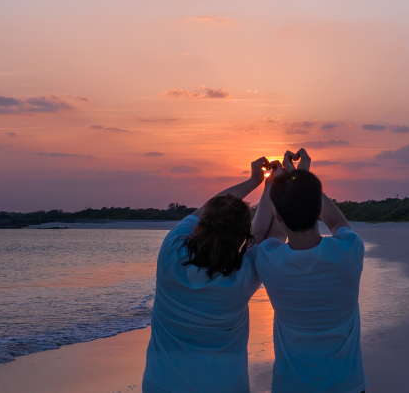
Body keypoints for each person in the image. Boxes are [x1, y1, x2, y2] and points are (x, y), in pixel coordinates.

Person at [142, 157, 272, 393]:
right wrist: (272, 186)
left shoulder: (171, 252)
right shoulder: (242, 277)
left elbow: (206, 209)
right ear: (243, 235)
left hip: (161, 385)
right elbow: (263, 234)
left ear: (205, 224)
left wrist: (254, 181)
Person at [252, 149, 368, 393]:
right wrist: (301, 177)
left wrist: (273, 183)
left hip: (291, 386)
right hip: (347, 386)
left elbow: (263, 234)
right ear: (318, 211)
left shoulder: (270, 260)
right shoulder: (349, 250)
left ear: (280, 217)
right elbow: (336, 223)